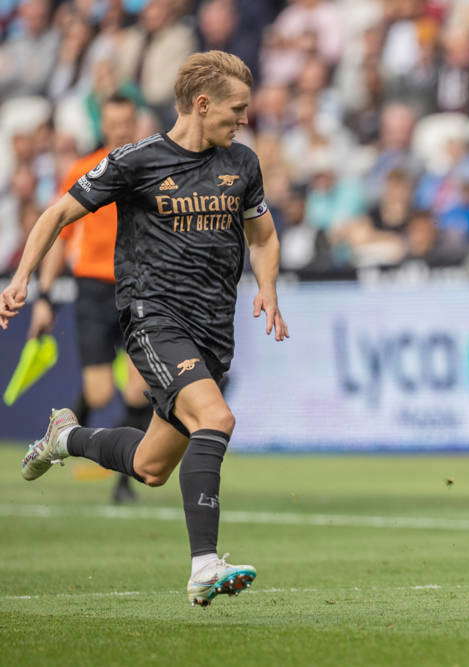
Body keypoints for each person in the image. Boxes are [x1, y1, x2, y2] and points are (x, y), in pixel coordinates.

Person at [1, 51, 289, 607]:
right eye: (237, 108)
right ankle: (204, 565)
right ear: (201, 105)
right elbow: (56, 213)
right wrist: (21, 279)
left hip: (212, 331)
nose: (244, 118)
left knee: (151, 467)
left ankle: (65, 437)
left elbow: (265, 237)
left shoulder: (243, 164)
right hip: (152, 318)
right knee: (217, 417)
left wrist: (269, 288)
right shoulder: (137, 161)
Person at [27, 94, 153, 505]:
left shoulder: (148, 168)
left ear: (134, 122)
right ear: (104, 125)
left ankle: (123, 480)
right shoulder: (86, 171)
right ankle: (61, 432)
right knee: (99, 395)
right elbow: (60, 238)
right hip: (94, 291)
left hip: (138, 288)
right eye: (113, 123)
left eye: (125, 122)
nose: (119, 129)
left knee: (139, 393)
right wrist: (44, 296)